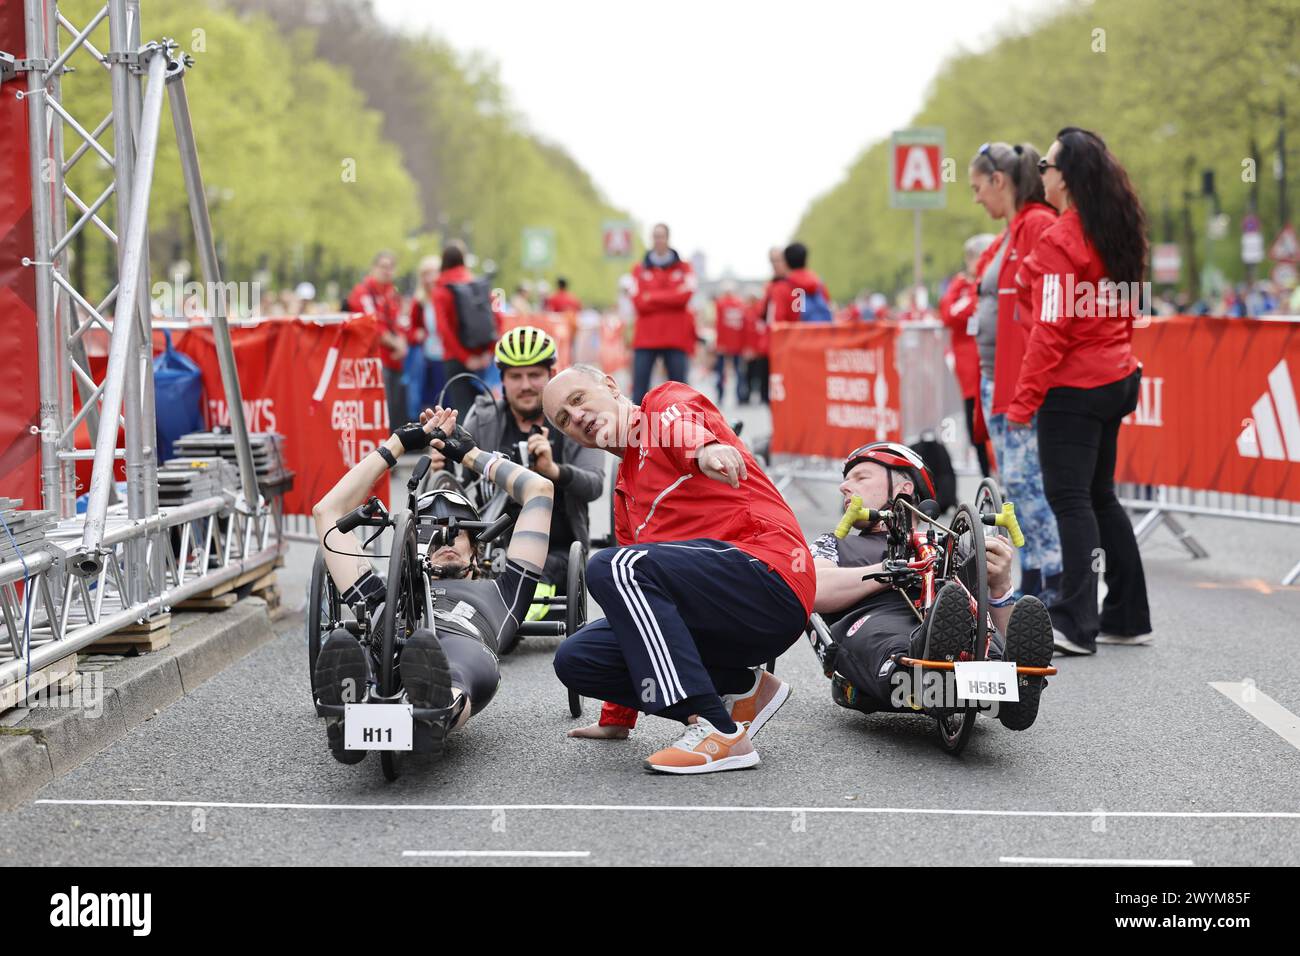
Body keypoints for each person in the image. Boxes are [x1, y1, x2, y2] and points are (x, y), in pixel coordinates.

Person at [543, 365, 815, 774]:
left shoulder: (660, 407)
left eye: (578, 399)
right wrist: (617, 719)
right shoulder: (625, 495)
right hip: (716, 624)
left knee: (612, 566)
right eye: (564, 419)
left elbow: (681, 423)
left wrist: (703, 449)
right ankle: (742, 692)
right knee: (577, 658)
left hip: (767, 578)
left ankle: (717, 731)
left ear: (611, 386)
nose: (576, 416)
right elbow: (633, 613)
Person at [310, 406, 554, 764]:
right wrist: (398, 444)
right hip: (392, 633)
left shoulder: (504, 593)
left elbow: (539, 489)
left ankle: (433, 714)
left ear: (477, 548)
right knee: (366, 644)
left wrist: (468, 454)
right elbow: (326, 512)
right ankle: (351, 709)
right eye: (431, 528)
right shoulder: (382, 593)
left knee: (453, 670)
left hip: (465, 646)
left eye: (459, 527)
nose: (446, 535)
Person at [1008, 127, 1152, 655]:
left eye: (1046, 167)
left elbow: (1051, 328)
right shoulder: (1117, 228)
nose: (1041, 174)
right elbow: (1126, 307)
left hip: (1075, 386)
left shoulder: (1063, 238)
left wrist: (1024, 401)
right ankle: (1128, 615)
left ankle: (1074, 622)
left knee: (1070, 501)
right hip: (1117, 375)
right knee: (1100, 497)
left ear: (1064, 177)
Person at [814, 442, 1054, 729]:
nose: (844, 487)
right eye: (845, 480)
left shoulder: (954, 544)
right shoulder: (835, 544)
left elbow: (996, 622)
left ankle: (1016, 683)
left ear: (903, 489)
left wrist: (1001, 587)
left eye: (860, 477)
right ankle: (929, 660)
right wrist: (886, 570)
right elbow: (816, 589)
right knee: (893, 642)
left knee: (989, 641)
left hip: (958, 618)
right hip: (877, 617)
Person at [430, 326, 605, 593]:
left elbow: (594, 485)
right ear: (502, 380)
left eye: (535, 375)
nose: (525, 385)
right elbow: (461, 489)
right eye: (516, 376)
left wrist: (554, 471)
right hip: (488, 547)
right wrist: (443, 470)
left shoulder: (575, 420)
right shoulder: (484, 417)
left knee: (524, 591)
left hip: (555, 549)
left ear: (552, 375)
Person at [968, 141, 1063, 604]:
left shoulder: (1037, 226)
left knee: (1028, 484)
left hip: (1016, 380)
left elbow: (1046, 310)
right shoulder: (1015, 230)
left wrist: (1025, 388)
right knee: (1016, 486)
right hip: (999, 377)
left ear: (998, 180)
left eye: (977, 187)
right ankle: (1039, 579)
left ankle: (1052, 578)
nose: (976, 198)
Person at [939, 234, 997, 477]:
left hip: (993, 367)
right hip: (970, 372)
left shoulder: (991, 282)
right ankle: (988, 480)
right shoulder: (961, 285)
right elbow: (949, 314)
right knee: (976, 430)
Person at [629, 223, 697, 403]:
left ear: (668, 238)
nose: (659, 240)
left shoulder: (685, 268)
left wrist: (651, 296)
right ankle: (638, 428)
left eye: (662, 236)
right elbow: (638, 302)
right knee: (639, 389)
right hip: (646, 337)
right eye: (655, 236)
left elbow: (685, 296)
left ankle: (683, 427)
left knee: (680, 390)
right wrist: (671, 298)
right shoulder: (639, 269)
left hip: (675, 337)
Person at [346, 250, 413, 433]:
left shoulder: (392, 293)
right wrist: (397, 343)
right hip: (374, 360)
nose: (387, 271)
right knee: (379, 408)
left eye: (391, 267)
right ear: (373, 268)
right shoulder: (362, 292)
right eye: (383, 267)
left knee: (392, 407)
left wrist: (402, 342)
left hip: (393, 361)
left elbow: (399, 321)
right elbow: (372, 325)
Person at [431, 242, 499, 420]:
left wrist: (465, 358)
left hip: (455, 358)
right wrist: (488, 353)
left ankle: (469, 447)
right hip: (481, 354)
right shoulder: (478, 284)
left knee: (462, 410)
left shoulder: (440, 289)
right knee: (485, 406)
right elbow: (497, 318)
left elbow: (443, 329)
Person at [406, 256, 447, 420]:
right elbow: (411, 331)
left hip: (447, 358)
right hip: (428, 359)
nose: (430, 278)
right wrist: (417, 334)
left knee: (447, 402)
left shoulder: (446, 297)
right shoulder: (420, 302)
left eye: (433, 273)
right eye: (425, 274)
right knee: (427, 403)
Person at [768, 242, 832, 323]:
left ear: (786, 263)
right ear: (806, 260)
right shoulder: (819, 284)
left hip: (794, 335)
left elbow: (778, 322)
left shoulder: (781, 288)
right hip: (818, 334)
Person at [712, 281, 748, 405]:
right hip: (737, 343)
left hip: (726, 344)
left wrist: (719, 343)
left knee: (722, 372)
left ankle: (721, 396)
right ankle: (739, 396)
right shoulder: (740, 304)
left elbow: (719, 325)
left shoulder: (721, 304)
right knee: (738, 372)